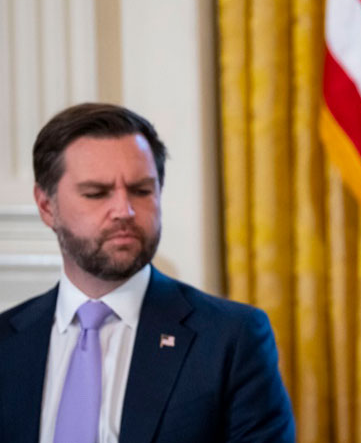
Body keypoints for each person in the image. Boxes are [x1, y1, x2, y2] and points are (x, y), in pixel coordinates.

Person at [0, 103, 295, 442]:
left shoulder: (232, 338)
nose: (124, 210)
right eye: (97, 193)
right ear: (46, 206)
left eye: (141, 191)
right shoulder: (6, 342)